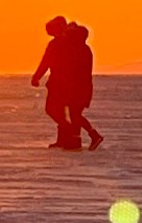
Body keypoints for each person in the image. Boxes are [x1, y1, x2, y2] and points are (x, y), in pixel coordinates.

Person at [30, 15, 104, 151]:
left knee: (65, 112)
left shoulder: (68, 45)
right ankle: (68, 140)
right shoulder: (76, 46)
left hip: (67, 85)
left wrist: (37, 77)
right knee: (68, 112)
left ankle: (78, 138)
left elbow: (48, 62)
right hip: (72, 85)